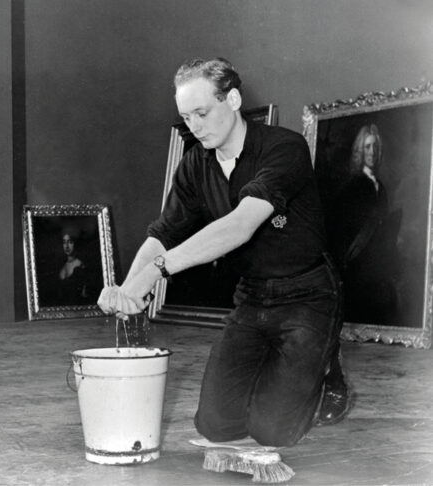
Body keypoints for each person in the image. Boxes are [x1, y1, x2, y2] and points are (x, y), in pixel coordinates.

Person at [98, 57, 349, 447]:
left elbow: (240, 225)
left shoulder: (285, 148)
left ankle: (326, 364)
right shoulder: (194, 165)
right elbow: (163, 234)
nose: (195, 127)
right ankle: (282, 369)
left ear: (232, 99)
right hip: (251, 298)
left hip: (309, 297)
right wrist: (126, 290)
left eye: (202, 112)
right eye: (187, 118)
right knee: (216, 426)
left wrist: (156, 272)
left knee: (273, 432)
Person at [329, 124, 401, 324]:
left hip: (378, 266)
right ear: (360, 150)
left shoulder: (381, 187)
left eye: (375, 147)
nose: (372, 152)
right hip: (358, 269)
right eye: (367, 147)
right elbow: (341, 231)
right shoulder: (353, 187)